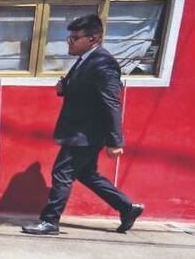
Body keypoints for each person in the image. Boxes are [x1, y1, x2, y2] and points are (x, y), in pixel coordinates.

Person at [21, 14, 144, 235]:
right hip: (79, 131)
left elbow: (112, 103)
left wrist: (115, 141)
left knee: (62, 173)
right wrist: (64, 89)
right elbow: (87, 93)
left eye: (75, 38)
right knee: (87, 174)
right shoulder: (86, 60)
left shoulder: (104, 64)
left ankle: (50, 221)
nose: (70, 42)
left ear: (93, 39)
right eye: (70, 38)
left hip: (85, 133)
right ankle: (127, 207)